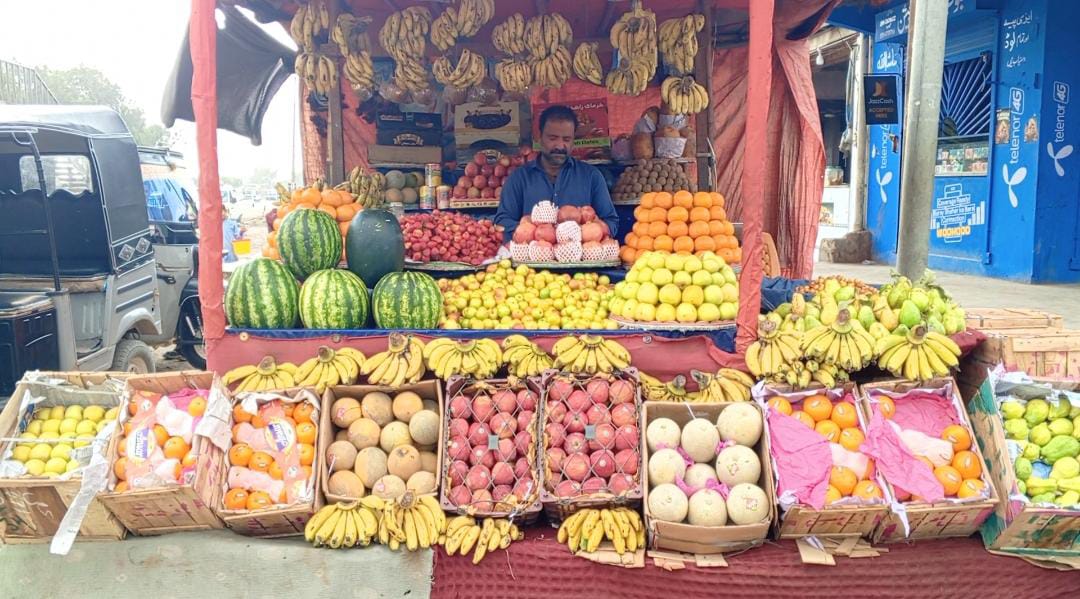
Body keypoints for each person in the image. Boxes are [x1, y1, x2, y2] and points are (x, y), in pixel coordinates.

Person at [495, 105, 618, 242]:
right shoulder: (519, 178)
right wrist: (534, 234)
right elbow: (502, 223)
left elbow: (611, 222)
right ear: (539, 137)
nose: (560, 146)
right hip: (531, 261)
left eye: (566, 139)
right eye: (553, 138)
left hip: (579, 261)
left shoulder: (591, 177)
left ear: (573, 141)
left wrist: (586, 233)